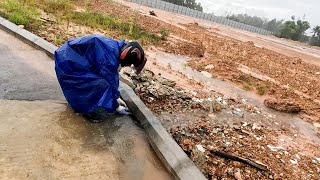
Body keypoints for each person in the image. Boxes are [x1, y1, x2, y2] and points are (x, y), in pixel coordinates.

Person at [54, 34, 147, 116]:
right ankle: (82, 111)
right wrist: (116, 106)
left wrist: (116, 97)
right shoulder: (108, 59)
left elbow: (113, 77)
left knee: (96, 83)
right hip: (68, 64)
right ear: (128, 57)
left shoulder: (113, 49)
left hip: (69, 57)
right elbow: (108, 82)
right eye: (130, 63)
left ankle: (84, 106)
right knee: (96, 85)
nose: (128, 66)